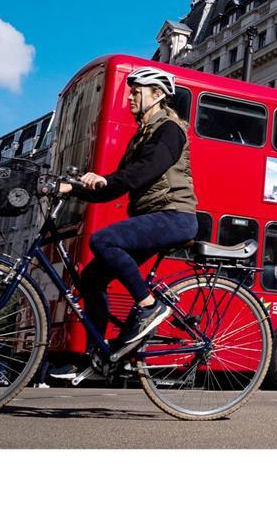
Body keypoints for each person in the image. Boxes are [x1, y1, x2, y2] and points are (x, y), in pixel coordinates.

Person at [51, 66, 198, 379]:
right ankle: (99, 356)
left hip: (175, 216)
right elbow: (115, 186)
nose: (130, 97)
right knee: (91, 279)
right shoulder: (141, 136)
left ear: (157, 95)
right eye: (130, 91)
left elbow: (145, 170)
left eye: (136, 92)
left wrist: (104, 181)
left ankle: (148, 306)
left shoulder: (169, 130)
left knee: (102, 240)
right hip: (154, 216)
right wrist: (76, 188)